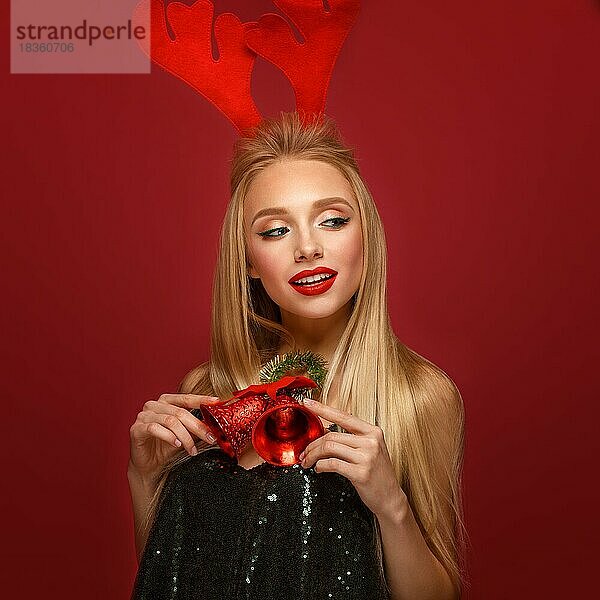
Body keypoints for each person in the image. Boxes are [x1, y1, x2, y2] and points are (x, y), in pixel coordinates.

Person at [128, 111, 467, 600]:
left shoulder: (419, 397)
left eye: (332, 220)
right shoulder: (206, 392)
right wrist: (144, 477)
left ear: (366, 237)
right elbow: (172, 576)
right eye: (275, 231)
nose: (308, 248)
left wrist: (391, 507)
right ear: (246, 260)